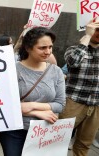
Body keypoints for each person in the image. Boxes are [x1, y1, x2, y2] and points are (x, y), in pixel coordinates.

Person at [0, 27, 65, 156]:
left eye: (50, 47)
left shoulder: (56, 71)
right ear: (28, 48)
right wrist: (39, 113)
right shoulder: (11, 70)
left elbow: (60, 104)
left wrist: (31, 106)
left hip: (44, 130)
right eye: (42, 48)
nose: (48, 52)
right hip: (14, 130)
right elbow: (3, 104)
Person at [59, 19, 99, 156]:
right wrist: (87, 36)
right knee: (57, 139)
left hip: (96, 105)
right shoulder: (74, 49)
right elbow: (73, 62)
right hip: (73, 102)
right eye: (96, 29)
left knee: (84, 144)